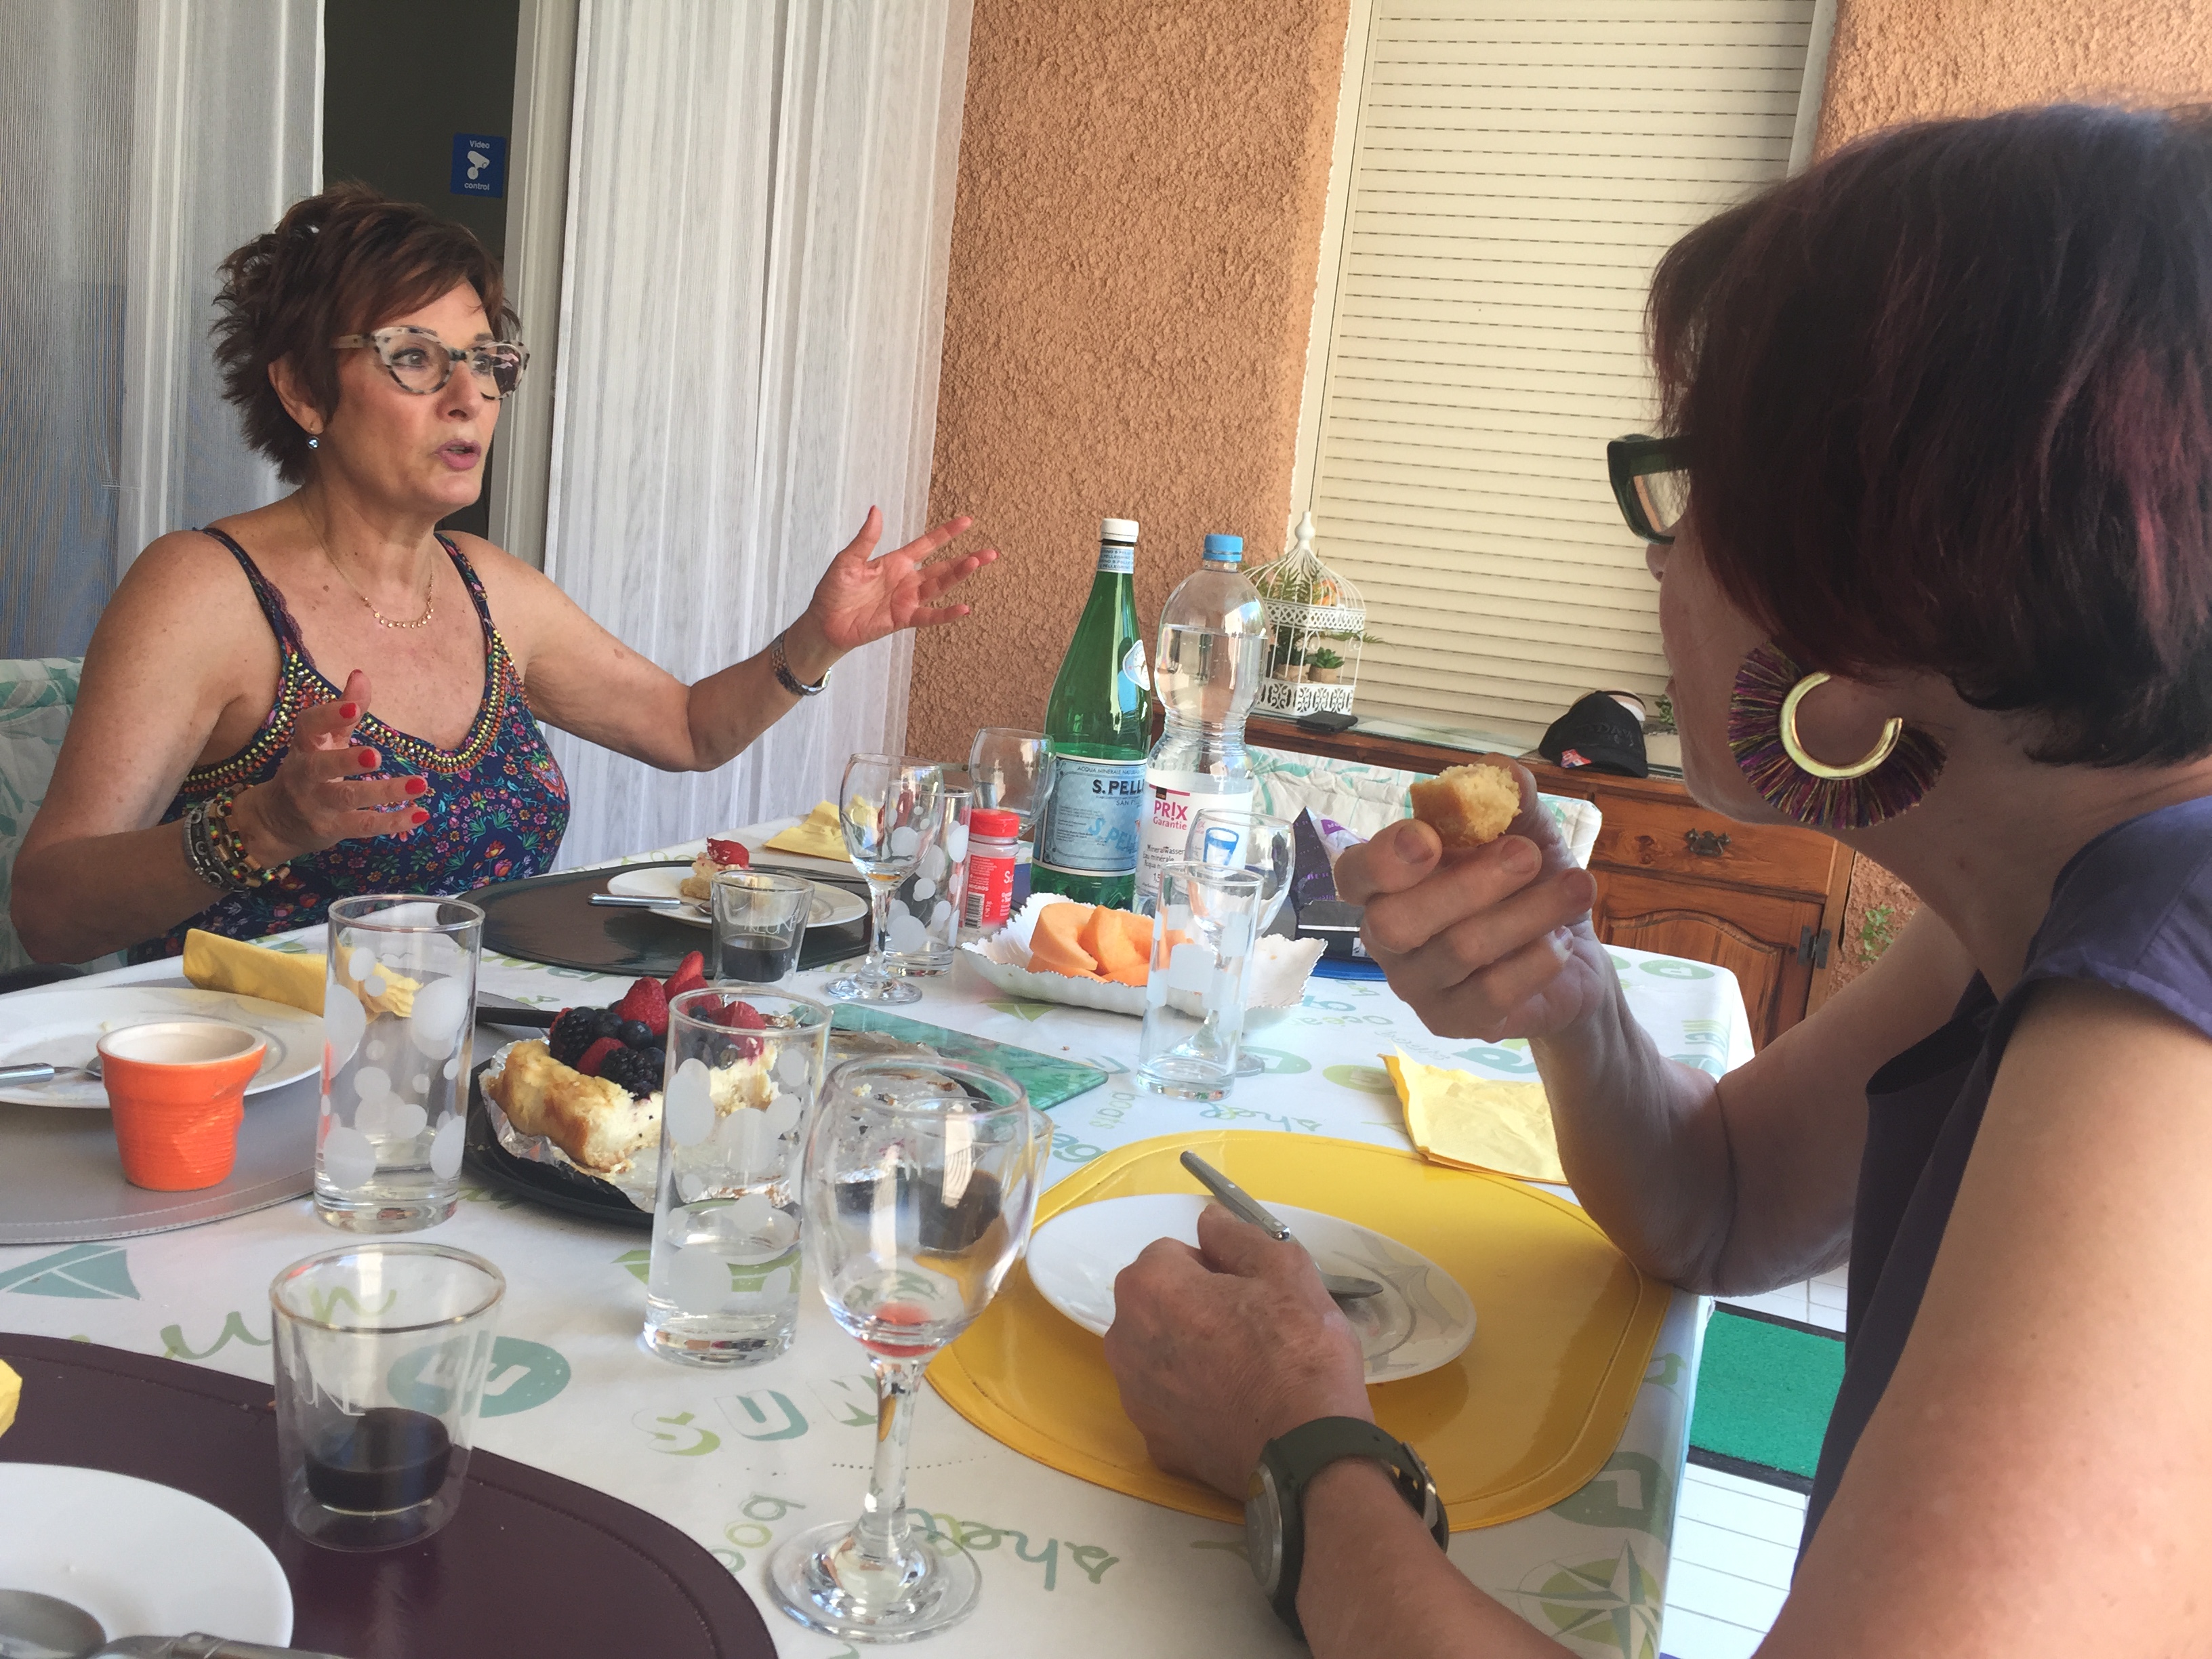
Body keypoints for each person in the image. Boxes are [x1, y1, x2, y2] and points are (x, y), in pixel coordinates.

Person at [1106, 104, 2212, 1655]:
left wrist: (1299, 1452)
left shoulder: (2164, 995)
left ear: (1878, 587)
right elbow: (1723, 1202)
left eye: (1692, 492)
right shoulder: (2037, 905)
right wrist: (1570, 999)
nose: (1655, 562)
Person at [12, 184, 994, 964]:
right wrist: (261, 825)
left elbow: (691, 730)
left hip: (469, 1068)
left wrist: (818, 638)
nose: (468, 395)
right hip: (248, 1086)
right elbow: (47, 912)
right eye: (413, 358)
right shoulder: (204, 591)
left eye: (485, 361)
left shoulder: (488, 588)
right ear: (303, 388)